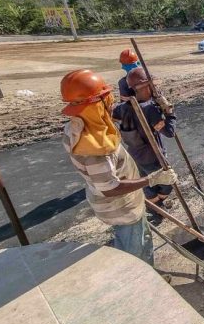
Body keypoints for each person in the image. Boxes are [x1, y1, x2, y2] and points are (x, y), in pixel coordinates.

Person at [60, 69, 178, 265]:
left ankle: (154, 204)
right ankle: (141, 280)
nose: (110, 102)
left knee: (135, 236)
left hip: (133, 166)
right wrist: (169, 113)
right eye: (105, 99)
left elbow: (117, 117)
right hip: (120, 206)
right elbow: (109, 188)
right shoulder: (94, 147)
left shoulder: (80, 127)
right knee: (135, 249)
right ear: (96, 104)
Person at [112, 67, 176, 223]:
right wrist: (169, 113)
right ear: (143, 87)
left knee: (146, 183)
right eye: (151, 85)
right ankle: (158, 205)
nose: (155, 88)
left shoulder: (122, 108)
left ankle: (155, 206)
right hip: (154, 157)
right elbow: (169, 132)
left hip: (134, 155)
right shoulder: (149, 109)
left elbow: (113, 116)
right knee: (168, 182)